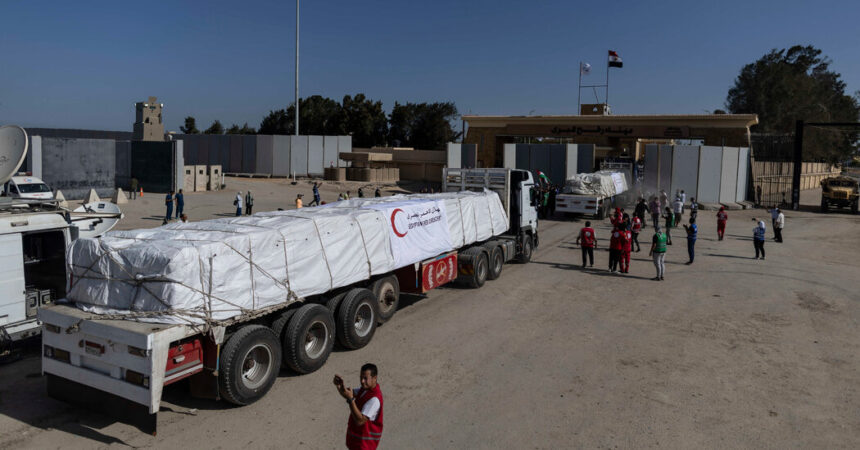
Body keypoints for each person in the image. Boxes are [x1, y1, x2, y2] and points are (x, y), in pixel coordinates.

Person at [334, 364, 384, 450]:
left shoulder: (374, 400)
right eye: (361, 377)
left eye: (365, 378)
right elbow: (348, 393)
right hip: (356, 443)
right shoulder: (365, 390)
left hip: (364, 445)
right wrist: (340, 386)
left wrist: (350, 399)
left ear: (374, 378)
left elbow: (360, 421)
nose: (362, 381)